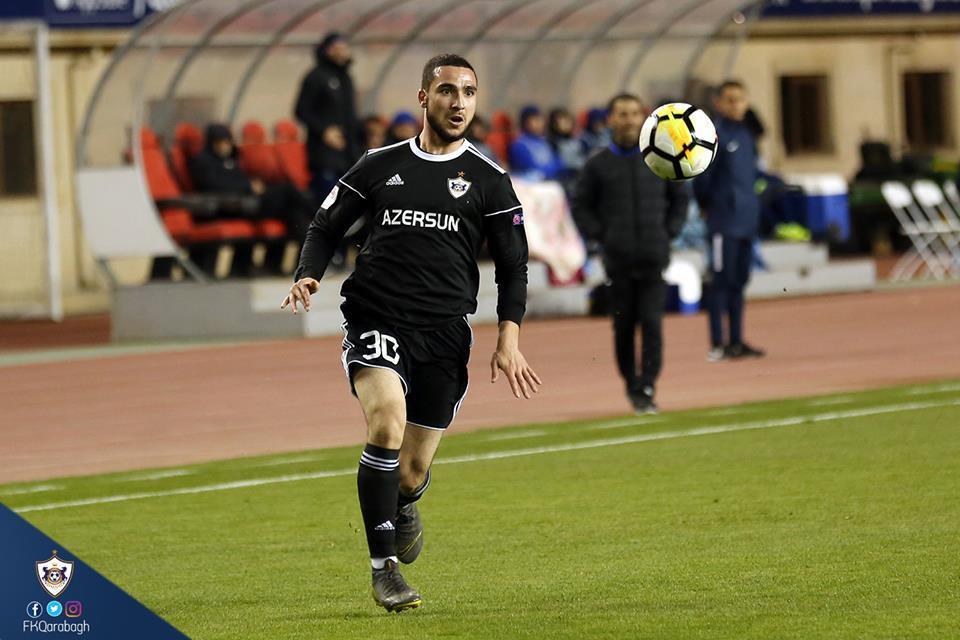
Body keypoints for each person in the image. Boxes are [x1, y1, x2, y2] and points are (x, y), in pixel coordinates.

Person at [281, 53, 541, 613]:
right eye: (447, 91)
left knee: (412, 469)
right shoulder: (380, 165)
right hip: (377, 317)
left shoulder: (490, 180)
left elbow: (514, 264)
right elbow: (326, 224)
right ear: (424, 98)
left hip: (445, 333)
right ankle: (384, 571)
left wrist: (509, 337)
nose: (458, 102)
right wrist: (308, 273)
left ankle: (403, 502)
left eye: (468, 92)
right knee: (385, 423)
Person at [573, 94, 688, 414]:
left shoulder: (660, 157)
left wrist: (668, 232)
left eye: (634, 113)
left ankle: (648, 384)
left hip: (653, 257)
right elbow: (581, 206)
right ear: (610, 119)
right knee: (623, 327)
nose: (629, 120)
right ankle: (632, 385)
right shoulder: (597, 165)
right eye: (622, 114)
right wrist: (602, 235)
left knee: (652, 323)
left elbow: (680, 199)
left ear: (644, 118)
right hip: (618, 261)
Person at [694, 80, 766, 361]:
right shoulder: (714, 136)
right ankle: (718, 343)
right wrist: (709, 206)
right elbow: (702, 178)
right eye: (730, 99)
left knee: (739, 282)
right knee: (720, 282)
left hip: (746, 220)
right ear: (719, 103)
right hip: (723, 222)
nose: (736, 105)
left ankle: (736, 340)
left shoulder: (746, 136)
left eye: (740, 99)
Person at [189, 124, 314, 243]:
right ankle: (318, 214)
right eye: (220, 142)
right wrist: (248, 186)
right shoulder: (203, 162)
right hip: (232, 207)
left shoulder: (231, 159)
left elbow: (239, 179)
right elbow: (214, 187)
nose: (225, 146)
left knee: (293, 211)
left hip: (249, 201)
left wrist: (252, 184)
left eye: (227, 142)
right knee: (288, 189)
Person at [294, 32, 360, 202]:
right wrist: (324, 131)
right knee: (327, 203)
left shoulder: (346, 78)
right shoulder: (316, 77)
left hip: (348, 153)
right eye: (336, 48)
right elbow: (301, 110)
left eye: (344, 48)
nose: (341, 52)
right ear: (326, 50)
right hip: (324, 154)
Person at [508, 105, 562, 181]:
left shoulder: (545, 141)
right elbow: (530, 169)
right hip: (529, 183)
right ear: (526, 122)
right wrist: (550, 170)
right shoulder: (519, 145)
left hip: (550, 180)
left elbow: (558, 162)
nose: (540, 123)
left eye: (541, 120)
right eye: (536, 120)